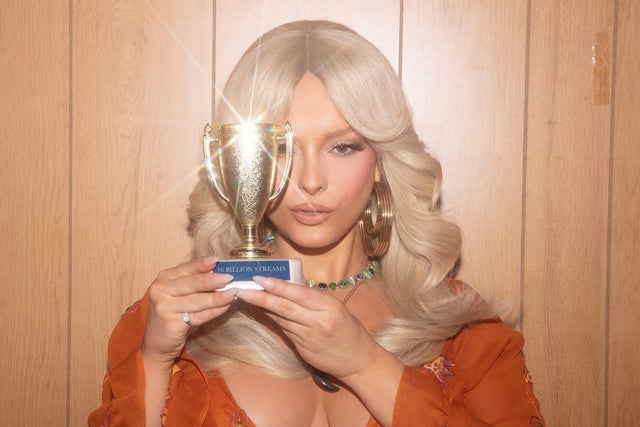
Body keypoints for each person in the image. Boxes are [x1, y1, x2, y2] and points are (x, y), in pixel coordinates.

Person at [89, 20, 544, 426]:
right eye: (281, 149)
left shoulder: (463, 330)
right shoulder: (170, 318)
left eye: (342, 147)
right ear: (237, 163)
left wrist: (365, 364)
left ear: (382, 160)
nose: (310, 180)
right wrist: (154, 360)